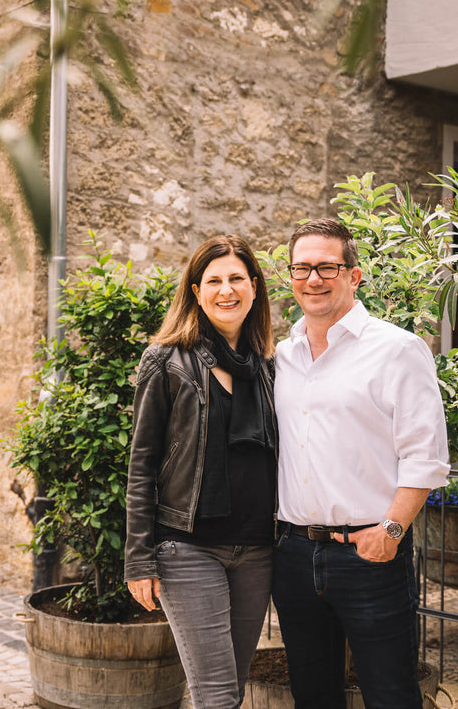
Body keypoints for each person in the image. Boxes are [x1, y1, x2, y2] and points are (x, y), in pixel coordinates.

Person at [271, 218, 450, 709]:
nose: (314, 279)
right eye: (302, 268)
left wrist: (390, 532)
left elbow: (426, 455)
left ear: (354, 275)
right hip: (292, 554)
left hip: (369, 551)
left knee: (390, 693)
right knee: (312, 695)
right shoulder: (281, 358)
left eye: (327, 266)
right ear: (289, 277)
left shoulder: (396, 350)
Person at [125, 234, 277, 709]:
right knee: (216, 696)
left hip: (257, 550)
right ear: (196, 291)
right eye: (213, 280)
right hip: (187, 548)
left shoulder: (271, 365)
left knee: (230, 688)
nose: (226, 290)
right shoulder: (166, 360)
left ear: (254, 287)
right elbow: (142, 462)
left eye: (236, 278)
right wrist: (138, 559)